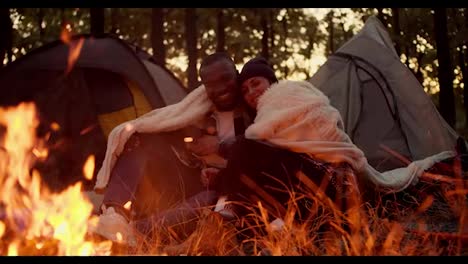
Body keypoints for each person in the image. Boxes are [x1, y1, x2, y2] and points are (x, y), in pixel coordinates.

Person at [91, 52, 252, 245]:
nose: (220, 89)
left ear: (237, 73)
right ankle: (113, 213)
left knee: (210, 199)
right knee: (142, 138)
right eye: (211, 85)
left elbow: (261, 146)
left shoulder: (252, 105)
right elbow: (170, 122)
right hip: (192, 176)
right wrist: (187, 142)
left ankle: (133, 232)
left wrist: (220, 147)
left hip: (225, 187)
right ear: (204, 87)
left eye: (225, 79)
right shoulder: (202, 107)